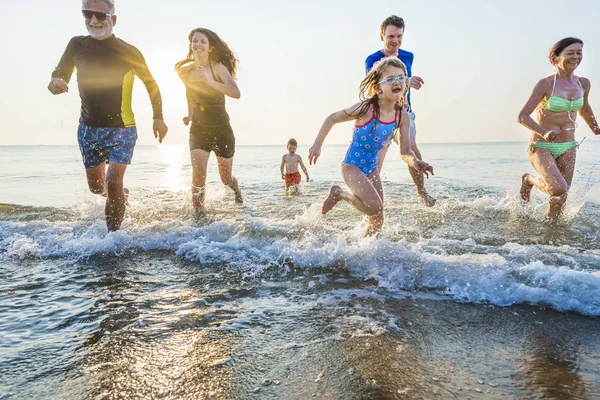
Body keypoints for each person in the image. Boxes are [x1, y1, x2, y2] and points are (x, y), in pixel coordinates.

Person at [48, 0, 168, 231]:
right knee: (97, 188)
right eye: (87, 14)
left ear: (113, 19)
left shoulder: (128, 51)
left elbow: (151, 84)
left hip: (122, 128)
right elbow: (59, 74)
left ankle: (113, 240)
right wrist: (54, 82)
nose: (93, 21)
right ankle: (122, 195)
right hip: (88, 128)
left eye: (100, 16)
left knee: (112, 182)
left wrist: (158, 117)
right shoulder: (76, 45)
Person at [308, 57, 434, 237]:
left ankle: (363, 250)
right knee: (375, 207)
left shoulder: (402, 116)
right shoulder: (366, 108)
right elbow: (333, 118)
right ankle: (339, 193)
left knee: (378, 218)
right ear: (377, 87)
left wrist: (415, 162)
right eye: (390, 79)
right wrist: (317, 145)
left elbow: (405, 151)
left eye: (401, 78)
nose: (397, 82)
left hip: (370, 169)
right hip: (352, 166)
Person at [518, 37, 600, 221]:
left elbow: (584, 108)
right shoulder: (545, 84)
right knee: (558, 188)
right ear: (554, 58)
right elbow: (522, 116)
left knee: (560, 199)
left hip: (568, 145)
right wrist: (544, 132)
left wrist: (596, 128)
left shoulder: (583, 83)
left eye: (579, 53)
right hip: (541, 146)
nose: (576, 57)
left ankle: (552, 237)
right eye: (570, 53)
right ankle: (528, 179)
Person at [365, 15, 435, 207]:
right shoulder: (373, 60)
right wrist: (406, 82)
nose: (395, 41)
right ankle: (373, 203)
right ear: (382, 36)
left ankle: (422, 192)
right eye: (391, 36)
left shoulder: (408, 56)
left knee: (410, 143)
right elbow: (372, 90)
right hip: (381, 116)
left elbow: (402, 87)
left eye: (399, 36)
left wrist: (408, 85)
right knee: (376, 162)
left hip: (404, 113)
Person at [175, 28, 243, 216]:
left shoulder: (217, 67)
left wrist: (210, 80)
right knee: (198, 176)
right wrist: (189, 114)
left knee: (226, 178)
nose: (198, 45)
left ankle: (236, 191)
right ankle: (199, 215)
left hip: (222, 131)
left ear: (210, 47)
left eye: (202, 41)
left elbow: (236, 93)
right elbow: (189, 93)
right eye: (195, 41)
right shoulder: (185, 71)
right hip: (199, 130)